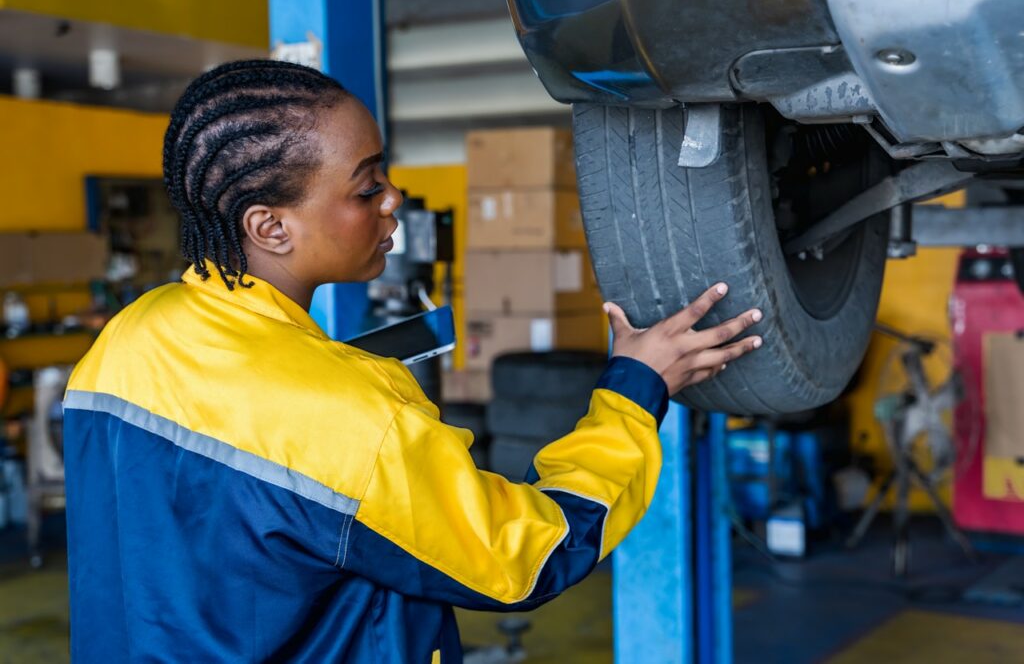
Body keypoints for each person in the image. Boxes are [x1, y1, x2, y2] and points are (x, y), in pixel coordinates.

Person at [63, 60, 763, 663]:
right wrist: (638, 387)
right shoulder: (348, 418)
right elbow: (531, 555)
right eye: (367, 188)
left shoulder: (124, 343)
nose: (394, 199)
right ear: (269, 226)